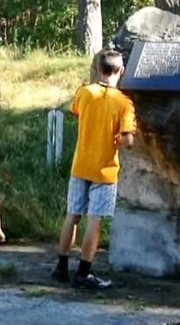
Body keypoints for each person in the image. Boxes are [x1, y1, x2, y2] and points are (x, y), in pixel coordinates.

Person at [51, 49, 136, 289]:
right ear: (121, 71)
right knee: (95, 220)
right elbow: (128, 140)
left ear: (99, 69)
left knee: (72, 215)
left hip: (80, 165)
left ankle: (61, 267)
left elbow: (76, 112)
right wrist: (120, 139)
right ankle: (84, 273)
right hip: (105, 170)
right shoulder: (123, 103)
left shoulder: (84, 92)